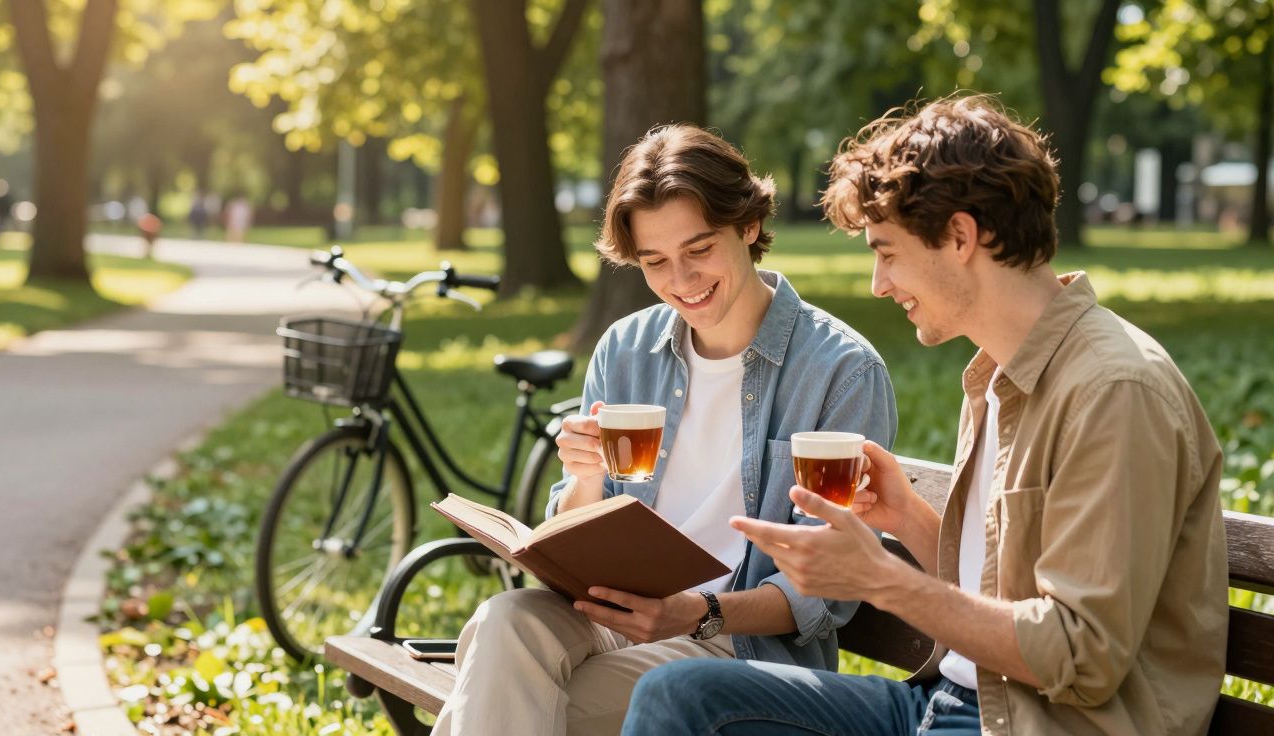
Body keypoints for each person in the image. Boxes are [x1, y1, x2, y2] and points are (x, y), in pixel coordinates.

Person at [622, 96, 1228, 735]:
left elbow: (1082, 656)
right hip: (949, 706)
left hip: (1034, 725)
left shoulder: (1113, 390)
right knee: (680, 696)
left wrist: (882, 580)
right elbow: (1003, 595)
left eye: (887, 252)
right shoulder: (997, 374)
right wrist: (910, 521)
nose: (879, 284)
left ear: (961, 237)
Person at [431, 125, 898, 736]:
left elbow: (827, 589)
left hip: (737, 646)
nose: (681, 281)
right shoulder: (627, 349)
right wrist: (583, 477)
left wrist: (695, 613)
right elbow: (570, 533)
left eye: (699, 250)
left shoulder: (838, 369)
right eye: (655, 262)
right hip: (612, 614)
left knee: (513, 699)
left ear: (748, 226)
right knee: (503, 623)